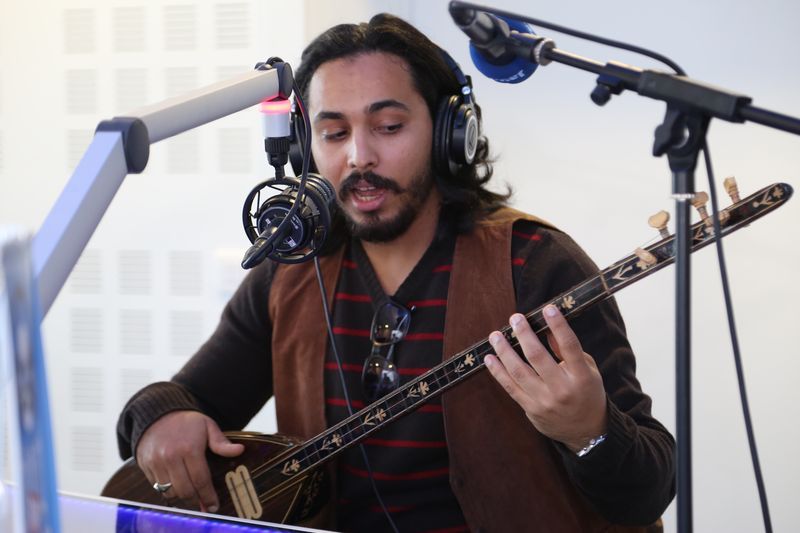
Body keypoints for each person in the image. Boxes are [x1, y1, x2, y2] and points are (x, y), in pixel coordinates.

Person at [115, 13, 675, 533]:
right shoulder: (292, 274)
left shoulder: (533, 264)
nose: (359, 156)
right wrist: (161, 419)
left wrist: (589, 432)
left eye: (387, 126)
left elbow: (648, 492)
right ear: (306, 150)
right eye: (334, 133)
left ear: (449, 133)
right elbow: (177, 400)